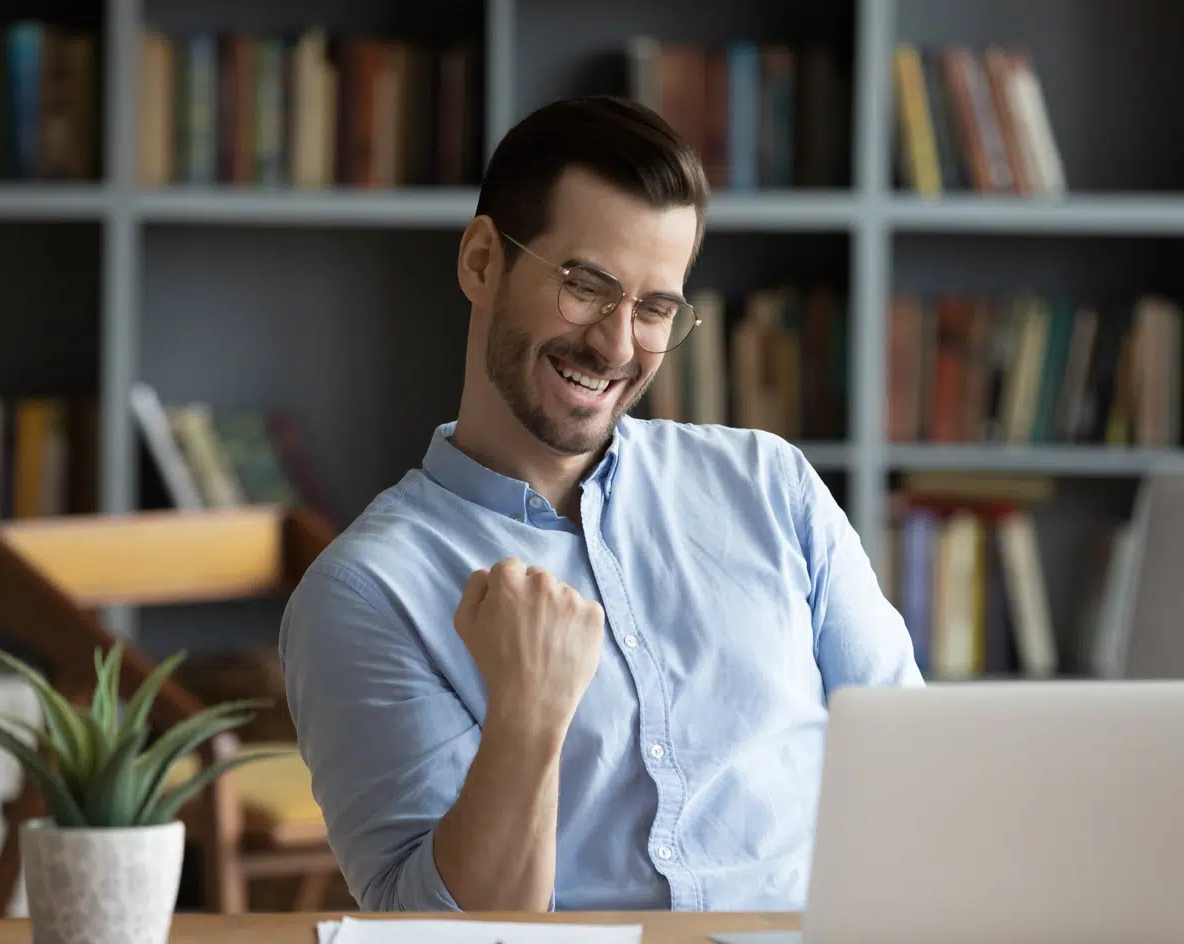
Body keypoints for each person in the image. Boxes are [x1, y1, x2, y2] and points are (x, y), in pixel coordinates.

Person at [278, 95, 923, 916]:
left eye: (655, 308)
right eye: (586, 287)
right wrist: (528, 715)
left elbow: (909, 769)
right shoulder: (365, 593)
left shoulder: (771, 486)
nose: (617, 346)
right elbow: (437, 937)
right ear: (482, 262)